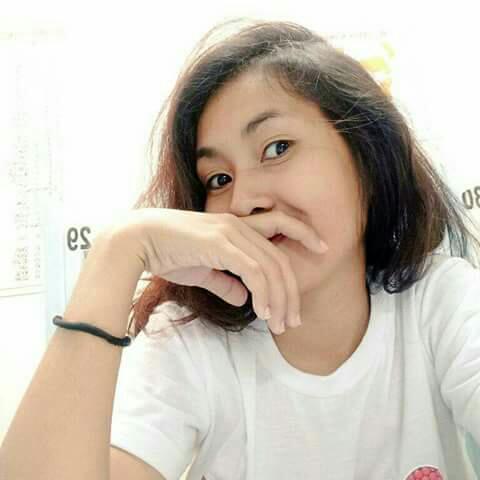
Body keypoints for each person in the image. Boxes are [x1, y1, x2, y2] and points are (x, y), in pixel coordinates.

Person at [1, 18, 480, 480]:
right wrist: (117, 250)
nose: (243, 200)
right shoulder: (189, 343)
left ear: (367, 160)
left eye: (277, 148)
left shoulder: (440, 304)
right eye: (219, 179)